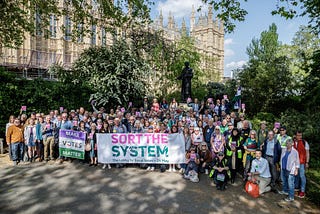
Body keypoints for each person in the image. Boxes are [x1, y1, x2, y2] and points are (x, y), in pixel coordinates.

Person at [293, 130, 310, 198]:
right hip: (294, 162)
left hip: (302, 162)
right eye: (298, 135)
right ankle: (296, 189)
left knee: (302, 176)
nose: (300, 137)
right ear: (295, 135)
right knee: (296, 176)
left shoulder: (304, 142)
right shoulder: (293, 142)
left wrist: (307, 162)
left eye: (301, 135)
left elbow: (307, 153)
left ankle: (302, 191)